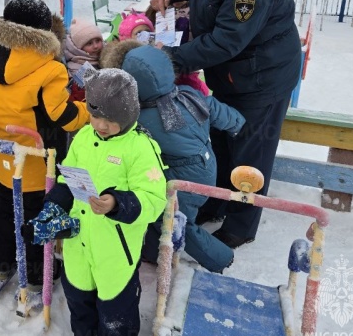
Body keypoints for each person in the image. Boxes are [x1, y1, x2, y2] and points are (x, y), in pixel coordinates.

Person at [150, 0, 302, 248]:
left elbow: (226, 40)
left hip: (261, 79)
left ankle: (240, 226)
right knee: (219, 141)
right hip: (231, 76)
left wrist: (170, 59)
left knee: (250, 153)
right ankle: (215, 201)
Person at [24, 68, 167, 336]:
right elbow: (68, 180)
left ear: (128, 115)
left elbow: (154, 200)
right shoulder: (83, 138)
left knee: (117, 308)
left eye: (110, 120)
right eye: (95, 115)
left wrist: (116, 203)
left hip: (115, 249)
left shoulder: (140, 148)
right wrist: (53, 207)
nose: (101, 125)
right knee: (78, 294)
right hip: (79, 241)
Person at [101, 40, 245, 273]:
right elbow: (216, 108)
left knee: (173, 219)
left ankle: (220, 258)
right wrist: (237, 123)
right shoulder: (189, 95)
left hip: (183, 179)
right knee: (169, 212)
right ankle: (153, 250)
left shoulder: (140, 119)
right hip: (208, 165)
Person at [0, 0, 90, 295]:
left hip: (2, 154)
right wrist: (88, 111)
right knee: (36, 218)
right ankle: (38, 275)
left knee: (5, 211)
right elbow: (64, 117)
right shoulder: (50, 68)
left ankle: (0, 265)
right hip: (37, 160)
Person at [62, 18, 104, 102]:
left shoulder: (107, 55)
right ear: (79, 48)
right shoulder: (78, 69)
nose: (95, 46)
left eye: (98, 40)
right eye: (89, 43)